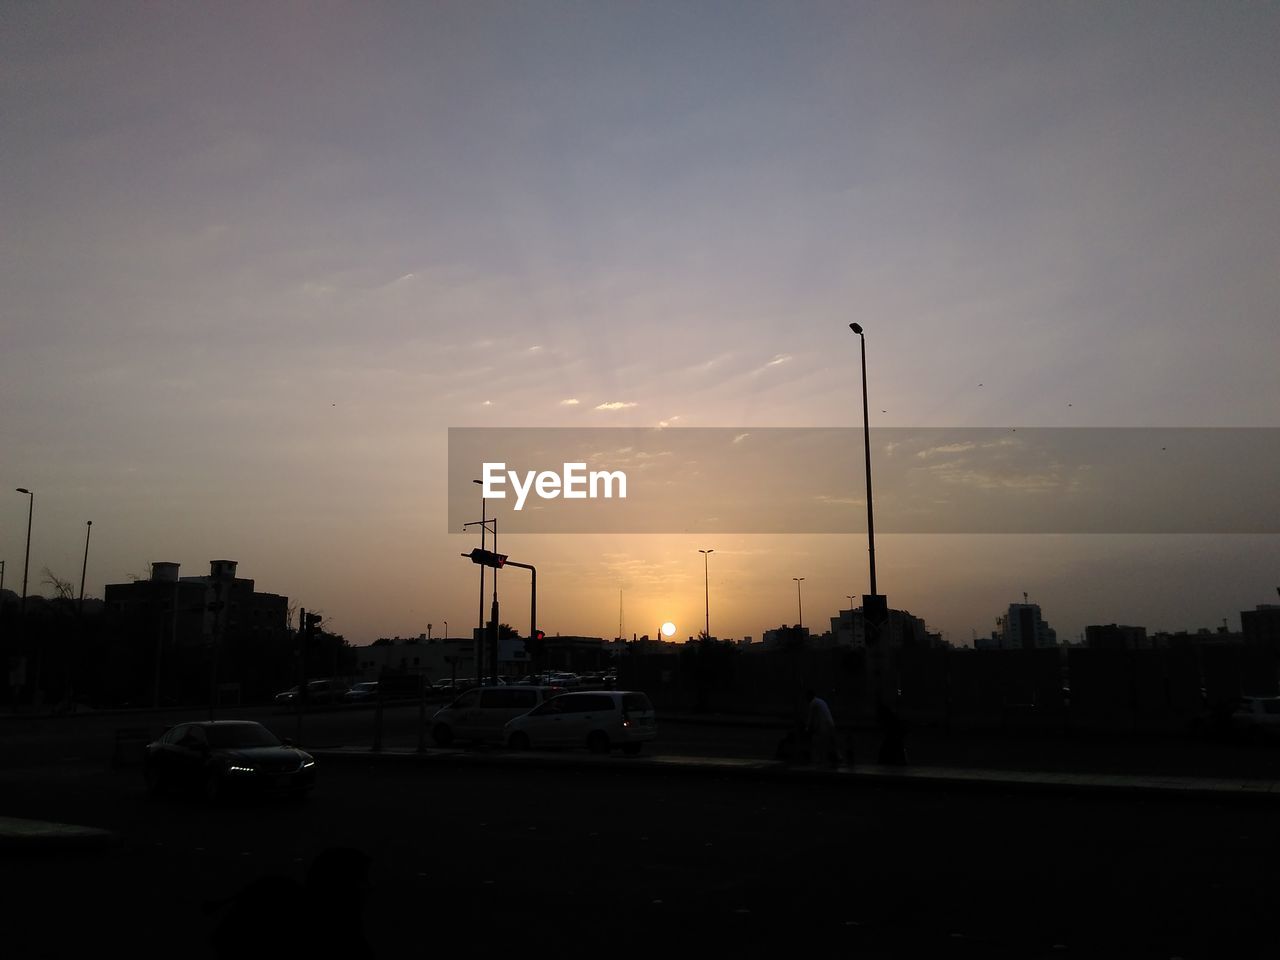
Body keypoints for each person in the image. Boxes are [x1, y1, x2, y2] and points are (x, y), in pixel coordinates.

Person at [804, 689, 838, 766]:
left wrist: (807, 728)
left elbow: (811, 718)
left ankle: (819, 761)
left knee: (818, 744)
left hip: (824, 726)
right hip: (830, 724)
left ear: (809, 696)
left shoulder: (813, 703)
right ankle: (827, 760)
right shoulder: (821, 701)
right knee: (828, 744)